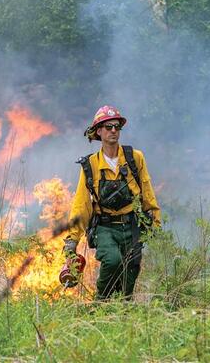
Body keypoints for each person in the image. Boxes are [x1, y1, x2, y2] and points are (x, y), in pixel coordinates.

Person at [63, 105, 161, 300]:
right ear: (99, 131)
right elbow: (81, 204)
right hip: (105, 227)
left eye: (117, 126)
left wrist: (155, 224)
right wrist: (72, 240)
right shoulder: (90, 165)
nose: (114, 131)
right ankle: (101, 302)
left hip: (132, 223)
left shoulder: (135, 158)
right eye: (108, 127)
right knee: (113, 260)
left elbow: (147, 191)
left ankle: (122, 309)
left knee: (131, 270)